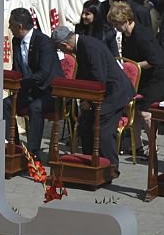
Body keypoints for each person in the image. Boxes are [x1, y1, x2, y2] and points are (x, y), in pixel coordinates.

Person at [52, 26, 134, 178]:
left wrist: (88, 101)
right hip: (99, 94)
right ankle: (90, 163)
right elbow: (83, 75)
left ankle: (111, 168)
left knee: (102, 130)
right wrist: (83, 98)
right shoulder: (82, 45)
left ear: (65, 46)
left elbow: (99, 78)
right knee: (84, 125)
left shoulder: (90, 47)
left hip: (114, 94)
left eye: (61, 49)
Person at [107, 1, 164, 157]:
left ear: (127, 20)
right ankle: (137, 145)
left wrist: (131, 67)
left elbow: (154, 60)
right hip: (143, 75)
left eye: (118, 23)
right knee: (134, 110)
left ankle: (153, 146)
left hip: (157, 76)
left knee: (145, 112)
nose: (116, 27)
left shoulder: (142, 35)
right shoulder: (126, 35)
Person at [4, 7, 62, 161]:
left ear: (19, 26)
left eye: (11, 25)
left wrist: (20, 83)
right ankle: (14, 146)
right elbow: (17, 68)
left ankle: (32, 152)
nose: (9, 28)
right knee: (5, 104)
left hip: (49, 91)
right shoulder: (17, 40)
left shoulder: (44, 42)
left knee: (36, 107)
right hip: (29, 89)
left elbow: (43, 74)